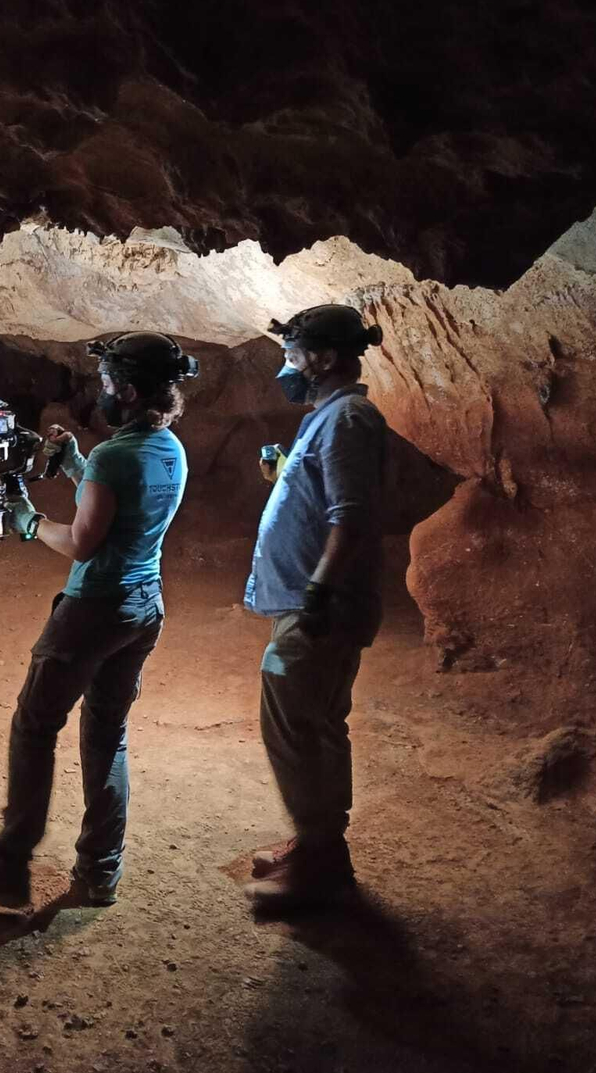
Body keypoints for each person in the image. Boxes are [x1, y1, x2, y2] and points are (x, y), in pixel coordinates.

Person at [0, 332, 198, 907]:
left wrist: (28, 520)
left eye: (109, 384)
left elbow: (84, 542)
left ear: (131, 391)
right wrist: (75, 464)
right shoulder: (168, 449)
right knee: (107, 735)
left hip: (94, 611)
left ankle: (10, 867)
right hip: (144, 604)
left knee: (35, 727)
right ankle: (100, 872)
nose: (102, 393)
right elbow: (117, 500)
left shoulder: (116, 456)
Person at [243, 304, 387, 910]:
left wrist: (319, 593)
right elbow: (325, 496)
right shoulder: (327, 417)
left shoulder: (349, 418)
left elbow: (351, 518)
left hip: (319, 607)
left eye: (294, 353)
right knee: (317, 723)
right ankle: (319, 845)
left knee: (296, 724)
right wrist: (284, 473)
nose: (287, 364)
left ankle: (320, 868)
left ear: (325, 358)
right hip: (309, 601)